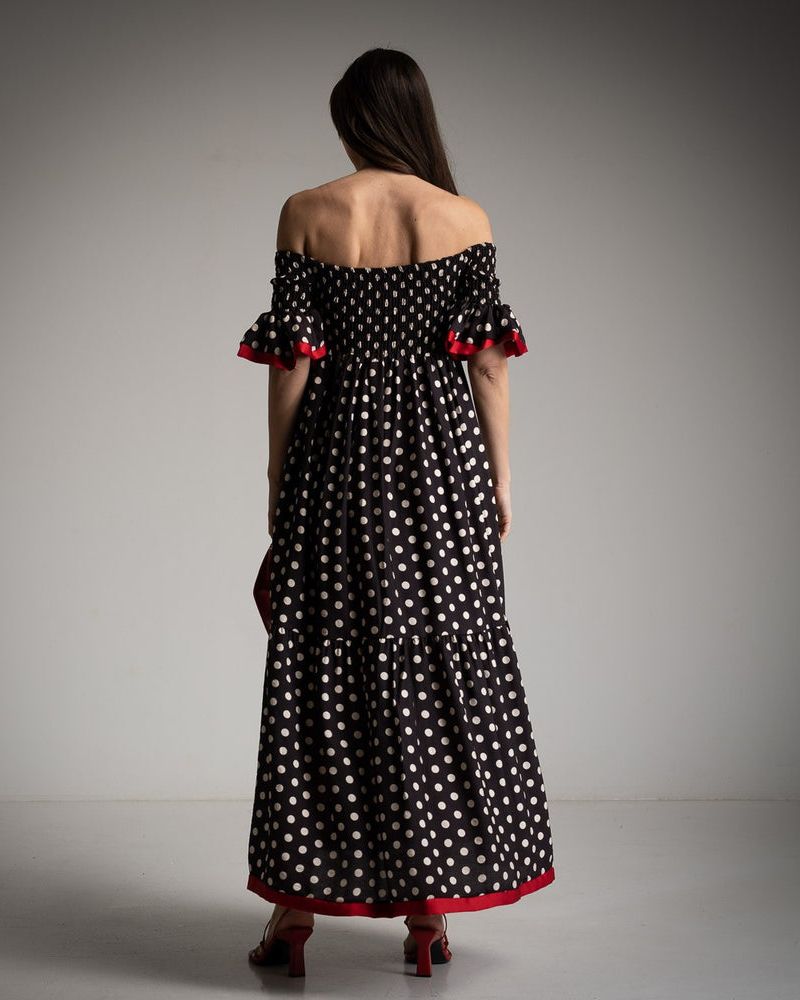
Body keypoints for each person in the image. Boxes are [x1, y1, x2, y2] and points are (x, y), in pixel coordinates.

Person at [237, 47, 554, 979]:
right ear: (417, 118)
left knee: (326, 674)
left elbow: (292, 364)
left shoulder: (306, 211)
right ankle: (427, 916)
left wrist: (277, 478)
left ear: (351, 118)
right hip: (439, 469)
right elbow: (488, 364)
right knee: (436, 669)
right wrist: (497, 480)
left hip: (334, 468)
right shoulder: (463, 218)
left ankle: (293, 921)